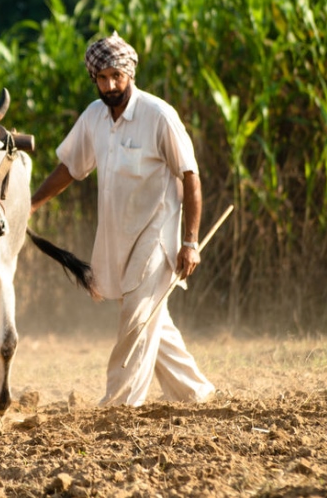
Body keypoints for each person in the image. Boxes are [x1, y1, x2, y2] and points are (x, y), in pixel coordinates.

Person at [31, 31, 215, 407]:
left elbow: (191, 177)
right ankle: (195, 394)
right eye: (102, 77)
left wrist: (191, 242)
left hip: (157, 237)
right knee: (150, 323)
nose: (111, 84)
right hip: (117, 240)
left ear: (130, 74)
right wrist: (30, 205)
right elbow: (70, 167)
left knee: (135, 319)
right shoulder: (94, 117)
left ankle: (118, 404)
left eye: (117, 76)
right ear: (94, 78)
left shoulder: (158, 115)